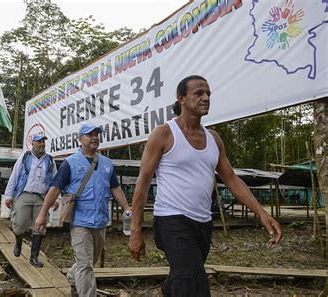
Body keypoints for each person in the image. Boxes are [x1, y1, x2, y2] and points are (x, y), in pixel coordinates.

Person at [128, 75, 283, 296]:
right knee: (193, 282)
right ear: (181, 98)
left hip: (203, 223)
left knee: (183, 276)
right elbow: (142, 183)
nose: (206, 98)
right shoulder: (164, 134)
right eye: (199, 93)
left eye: (208, 93)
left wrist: (261, 213)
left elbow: (231, 178)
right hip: (172, 220)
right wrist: (135, 230)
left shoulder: (214, 138)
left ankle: (165, 292)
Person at [35, 123, 132, 297]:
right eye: (90, 134)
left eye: (97, 134)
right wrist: (42, 215)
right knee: (86, 264)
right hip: (79, 221)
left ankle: (73, 276)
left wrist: (126, 208)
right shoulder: (70, 163)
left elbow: (115, 188)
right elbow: (55, 189)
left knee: (88, 262)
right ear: (80, 139)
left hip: (100, 221)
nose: (95, 137)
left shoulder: (107, 163)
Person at [4, 134, 57, 267]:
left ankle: (34, 257)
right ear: (32, 143)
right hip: (24, 194)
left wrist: (55, 199)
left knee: (39, 227)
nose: (41, 144)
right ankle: (18, 242)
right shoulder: (25, 157)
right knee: (19, 223)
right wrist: (8, 195)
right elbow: (14, 176)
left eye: (43, 142)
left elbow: (56, 181)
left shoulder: (50, 160)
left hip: (42, 197)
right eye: (38, 142)